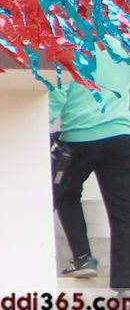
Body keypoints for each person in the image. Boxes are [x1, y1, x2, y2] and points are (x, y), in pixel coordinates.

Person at [52, 44, 130, 286]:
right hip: (120, 135)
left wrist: (38, 124)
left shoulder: (68, 42)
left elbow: (58, 90)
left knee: (65, 195)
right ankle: (126, 286)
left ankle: (83, 258)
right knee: (123, 212)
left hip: (78, 138)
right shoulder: (122, 41)